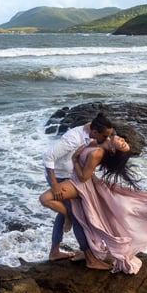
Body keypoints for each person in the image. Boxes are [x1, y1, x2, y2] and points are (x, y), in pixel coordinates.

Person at [40, 134, 147, 274]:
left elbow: (83, 177)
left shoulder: (98, 152)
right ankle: (67, 252)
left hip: (78, 184)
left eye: (122, 144)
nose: (123, 140)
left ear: (114, 151)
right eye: (124, 140)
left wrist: (74, 160)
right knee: (78, 219)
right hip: (77, 181)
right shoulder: (97, 144)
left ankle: (87, 255)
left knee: (46, 199)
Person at [42, 112, 114, 269]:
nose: (107, 139)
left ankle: (54, 252)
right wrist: (54, 185)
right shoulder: (72, 138)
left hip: (71, 175)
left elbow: (92, 124)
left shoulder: (92, 129)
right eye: (105, 136)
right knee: (76, 216)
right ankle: (90, 258)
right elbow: (48, 156)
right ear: (95, 132)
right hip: (61, 177)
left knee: (69, 214)